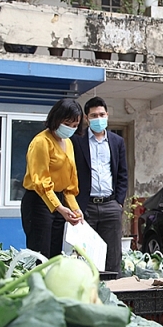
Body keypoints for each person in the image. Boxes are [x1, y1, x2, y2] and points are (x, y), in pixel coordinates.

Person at [71, 97, 128, 273]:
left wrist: (118, 202)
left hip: (110, 205)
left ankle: (113, 294)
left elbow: (122, 174)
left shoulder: (117, 141)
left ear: (107, 115)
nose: (98, 118)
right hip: (85, 206)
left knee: (113, 255)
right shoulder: (76, 141)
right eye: (94, 115)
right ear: (87, 118)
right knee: (84, 255)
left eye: (102, 114)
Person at [21, 98, 84, 258]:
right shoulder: (41, 142)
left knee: (55, 254)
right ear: (57, 119)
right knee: (41, 254)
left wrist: (75, 209)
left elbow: (70, 183)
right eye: (67, 123)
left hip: (59, 200)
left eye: (75, 125)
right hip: (39, 200)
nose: (70, 128)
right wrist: (59, 207)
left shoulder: (68, 143)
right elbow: (40, 181)